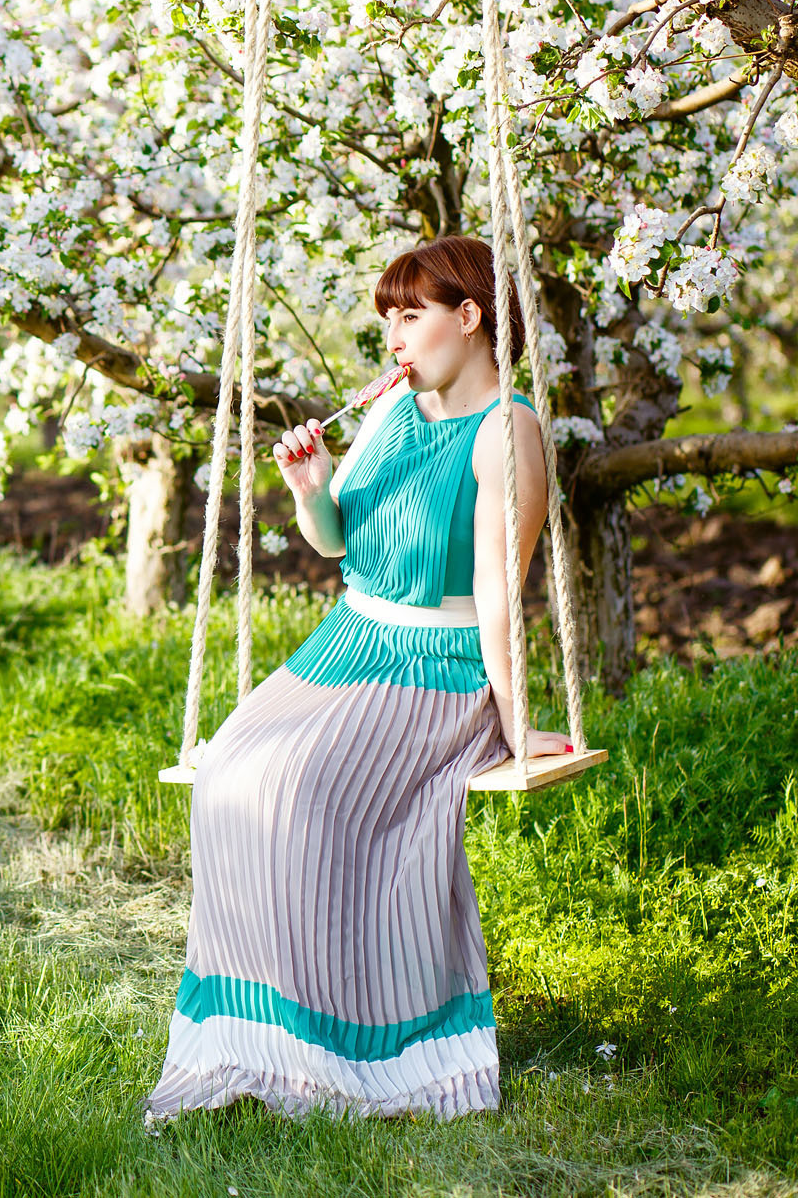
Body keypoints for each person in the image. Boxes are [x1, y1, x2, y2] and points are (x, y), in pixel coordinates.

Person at [141, 235, 572, 1122]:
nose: (394, 338)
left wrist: (514, 717)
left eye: (409, 316)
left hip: (435, 668)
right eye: (388, 319)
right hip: (346, 645)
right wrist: (309, 485)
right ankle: (255, 1039)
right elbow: (339, 541)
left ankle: (346, 1045)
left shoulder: (508, 435)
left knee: (293, 790)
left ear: (469, 316)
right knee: (226, 775)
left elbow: (499, 596)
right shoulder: (389, 412)